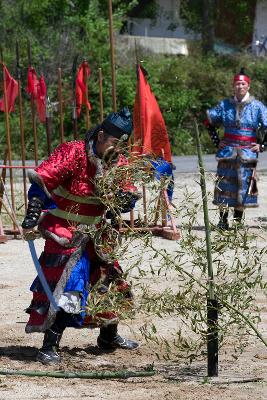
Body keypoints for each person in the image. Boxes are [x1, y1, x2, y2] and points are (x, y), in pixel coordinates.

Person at [22, 107, 140, 365]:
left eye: (122, 145)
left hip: (98, 235)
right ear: (100, 135)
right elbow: (43, 179)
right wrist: (33, 211)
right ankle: (49, 345)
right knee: (70, 288)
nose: (117, 148)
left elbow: (126, 194)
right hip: (66, 232)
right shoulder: (73, 152)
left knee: (107, 285)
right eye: (113, 142)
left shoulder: (118, 163)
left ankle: (108, 337)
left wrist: (124, 200)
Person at [205, 68, 267, 230]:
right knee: (224, 186)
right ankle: (223, 221)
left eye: (243, 83)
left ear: (248, 86)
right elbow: (208, 122)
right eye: (237, 84)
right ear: (233, 86)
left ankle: (238, 222)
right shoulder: (224, 105)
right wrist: (217, 141)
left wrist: (262, 146)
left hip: (248, 153)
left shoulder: (257, 106)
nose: (240, 86)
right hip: (227, 152)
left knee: (244, 186)